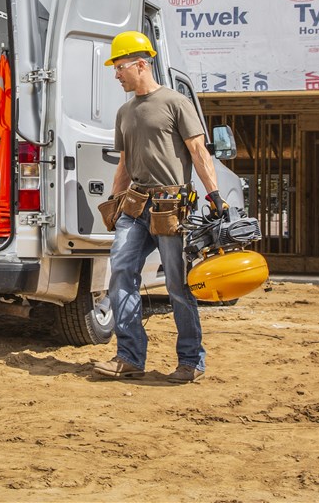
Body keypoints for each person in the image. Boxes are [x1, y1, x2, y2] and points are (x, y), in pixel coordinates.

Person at [92, 30, 226, 384]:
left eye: (120, 67)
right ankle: (129, 356)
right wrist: (114, 202)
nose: (116, 74)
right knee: (120, 273)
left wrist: (214, 196)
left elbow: (198, 152)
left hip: (171, 207)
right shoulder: (124, 112)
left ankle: (191, 361)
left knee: (178, 286)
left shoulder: (175, 103)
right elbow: (124, 163)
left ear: (140, 64)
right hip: (135, 206)